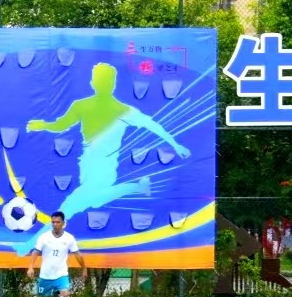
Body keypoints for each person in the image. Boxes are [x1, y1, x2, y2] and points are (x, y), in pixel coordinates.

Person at [16, 63, 190, 255]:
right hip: (87, 167)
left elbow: (151, 125)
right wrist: (42, 125)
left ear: (107, 84)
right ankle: (137, 187)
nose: (103, 84)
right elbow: (61, 125)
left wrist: (176, 145)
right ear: (95, 83)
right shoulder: (85, 106)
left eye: (105, 81)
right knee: (95, 201)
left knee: (67, 208)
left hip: (104, 170)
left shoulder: (121, 110)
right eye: (102, 81)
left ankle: (27, 246)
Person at [24, 211, 86, 297]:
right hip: (46, 274)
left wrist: (84, 269)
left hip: (61, 273)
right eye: (53, 222)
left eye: (58, 222)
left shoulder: (69, 238)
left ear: (63, 223)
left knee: (65, 293)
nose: (55, 224)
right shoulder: (44, 237)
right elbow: (36, 251)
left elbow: (77, 254)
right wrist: (30, 267)